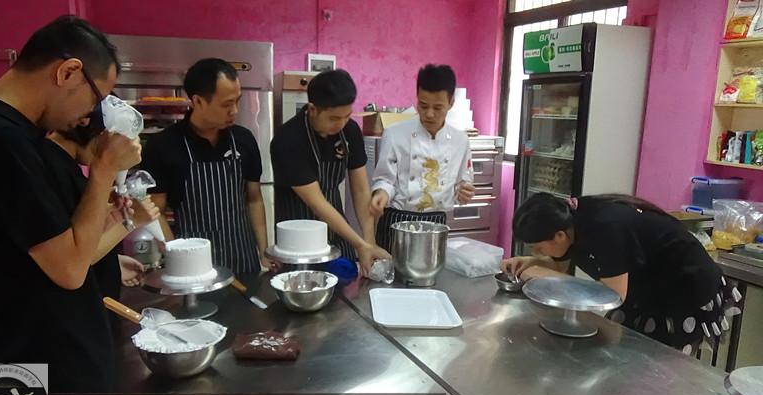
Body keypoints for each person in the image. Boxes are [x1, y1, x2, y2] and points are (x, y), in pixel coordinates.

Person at [0, 16, 142, 392]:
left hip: (17, 365)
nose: (88, 115)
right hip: (42, 374)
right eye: (94, 99)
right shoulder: (1, 141)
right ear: (68, 72)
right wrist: (104, 169)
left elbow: (32, 245)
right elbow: (70, 270)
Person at [501, 193, 744, 354]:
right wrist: (532, 262)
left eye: (537, 248)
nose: (536, 252)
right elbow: (561, 265)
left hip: (682, 287)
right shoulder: (570, 224)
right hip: (645, 286)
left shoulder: (607, 227)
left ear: (559, 235)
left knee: (658, 365)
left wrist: (546, 275)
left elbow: (612, 294)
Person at [141, 58, 274, 274]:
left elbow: (254, 199)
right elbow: (155, 212)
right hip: (194, 267)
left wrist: (263, 251)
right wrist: (177, 258)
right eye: (226, 104)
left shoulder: (243, 139)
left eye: (237, 101)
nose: (234, 110)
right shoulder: (164, 145)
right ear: (198, 101)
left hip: (244, 260)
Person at [270, 69, 389, 277]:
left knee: (346, 285)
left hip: (338, 233)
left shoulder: (349, 131)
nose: (341, 124)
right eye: (334, 118)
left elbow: (361, 191)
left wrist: (368, 244)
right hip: (298, 240)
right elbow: (317, 203)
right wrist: (360, 244)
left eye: (346, 116)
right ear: (312, 109)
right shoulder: (288, 140)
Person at [47, 113, 159, 301]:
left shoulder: (66, 166)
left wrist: (113, 261)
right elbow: (72, 260)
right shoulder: (53, 173)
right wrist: (129, 222)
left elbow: (85, 238)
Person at [370, 64, 475, 251]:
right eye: (423, 106)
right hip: (397, 220)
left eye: (438, 107)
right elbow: (385, 180)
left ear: (451, 102)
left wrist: (464, 193)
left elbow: (462, 184)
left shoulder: (460, 140)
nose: (429, 114)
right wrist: (381, 193)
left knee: (433, 269)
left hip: (436, 223)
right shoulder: (394, 134)